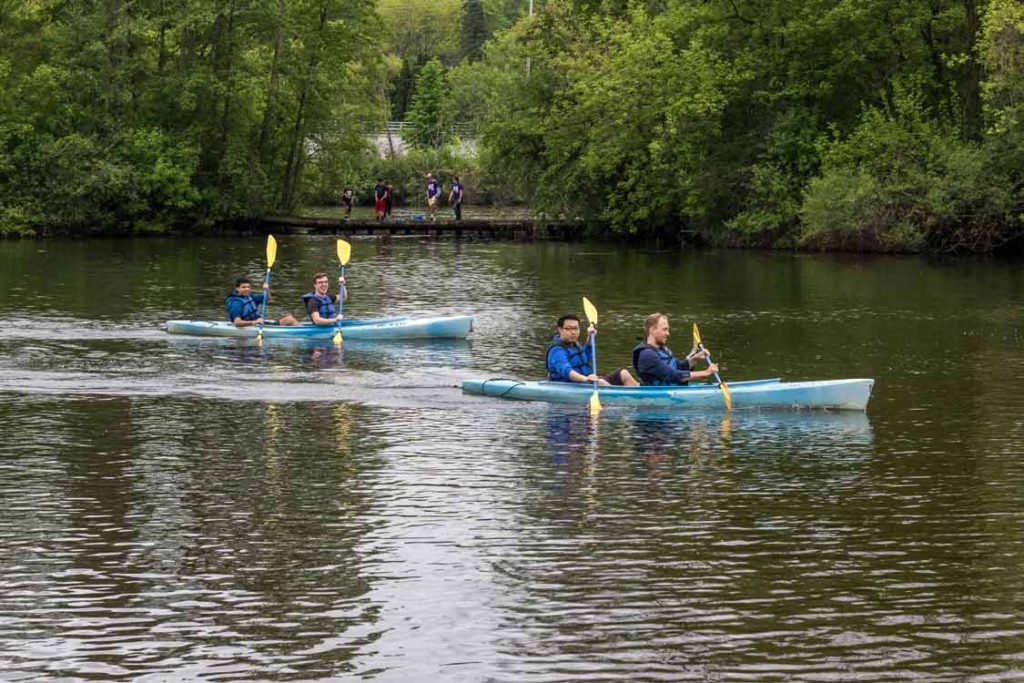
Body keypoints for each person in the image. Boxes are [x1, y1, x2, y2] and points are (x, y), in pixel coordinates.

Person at [546, 314, 639, 386]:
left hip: (587, 381)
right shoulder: (557, 351)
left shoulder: (574, 344)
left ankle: (640, 394)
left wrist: (590, 337)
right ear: (560, 330)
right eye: (568, 329)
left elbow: (586, 357)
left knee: (623, 373)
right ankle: (636, 400)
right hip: (570, 385)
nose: (573, 332)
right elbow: (566, 370)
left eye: (575, 328)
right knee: (602, 383)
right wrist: (585, 379)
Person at [632, 313, 718, 385]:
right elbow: (673, 376)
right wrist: (705, 373)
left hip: (670, 391)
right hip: (657, 397)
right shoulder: (647, 355)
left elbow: (679, 367)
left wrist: (695, 358)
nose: (668, 333)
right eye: (665, 329)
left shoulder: (662, 350)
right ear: (652, 330)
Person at [225, 277, 299, 328]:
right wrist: (254, 322)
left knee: (289, 318)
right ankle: (306, 332)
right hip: (250, 326)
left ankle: (303, 329)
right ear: (237, 288)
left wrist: (266, 290)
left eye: (248, 287)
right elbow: (237, 323)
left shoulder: (251, 296)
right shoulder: (236, 303)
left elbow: (267, 299)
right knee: (290, 320)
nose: (247, 289)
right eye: (244, 287)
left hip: (259, 324)